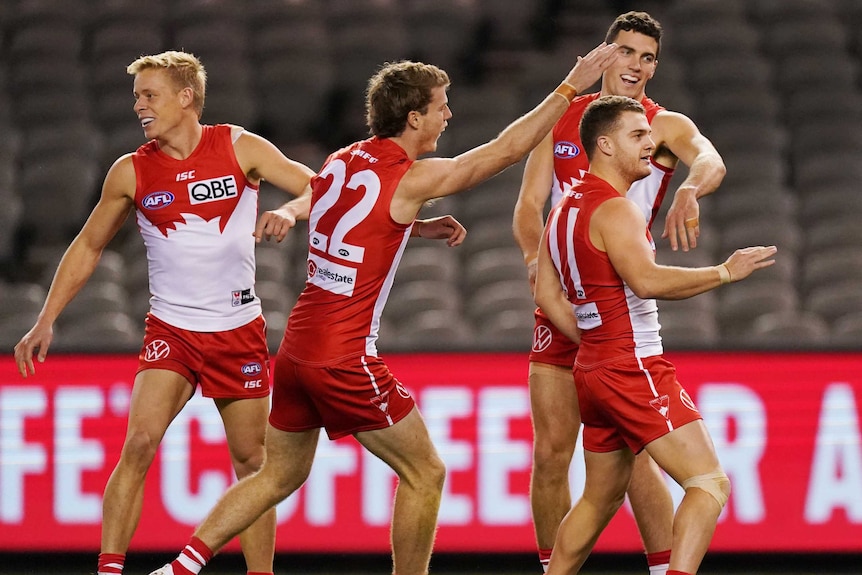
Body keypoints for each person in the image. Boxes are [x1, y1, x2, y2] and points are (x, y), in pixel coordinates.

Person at [145, 42, 621, 575]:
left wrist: (413, 228)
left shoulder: (341, 159)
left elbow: (350, 222)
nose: (448, 114)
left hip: (298, 348)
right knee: (426, 472)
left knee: (276, 475)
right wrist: (568, 86)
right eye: (441, 106)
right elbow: (502, 152)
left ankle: (180, 567)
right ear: (414, 116)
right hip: (344, 356)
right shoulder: (409, 177)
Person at [11, 50, 315, 575]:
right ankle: (109, 570)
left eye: (149, 96)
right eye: (136, 98)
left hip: (237, 329)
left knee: (253, 463)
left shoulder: (241, 147)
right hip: (171, 330)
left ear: (185, 97)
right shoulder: (130, 171)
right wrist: (46, 318)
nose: (139, 107)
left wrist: (287, 210)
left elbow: (318, 188)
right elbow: (87, 247)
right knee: (139, 443)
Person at [512, 11, 727, 573]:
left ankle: (659, 565)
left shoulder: (659, 126)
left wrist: (690, 192)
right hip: (561, 300)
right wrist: (542, 265)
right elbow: (527, 208)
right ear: (604, 53)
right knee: (554, 451)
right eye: (626, 51)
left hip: (619, 298)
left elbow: (708, 157)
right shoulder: (560, 117)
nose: (636, 65)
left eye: (648, 57)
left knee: (629, 460)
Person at [533, 94, 776, 575]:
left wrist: (593, 343)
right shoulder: (616, 209)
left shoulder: (561, 211)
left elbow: (545, 290)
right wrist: (724, 273)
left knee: (598, 501)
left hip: (593, 370)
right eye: (637, 135)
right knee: (708, 483)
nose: (650, 144)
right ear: (604, 144)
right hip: (634, 366)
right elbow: (648, 281)